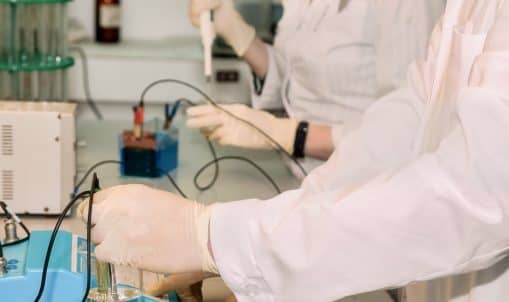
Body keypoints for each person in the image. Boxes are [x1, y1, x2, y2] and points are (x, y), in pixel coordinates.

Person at [79, 0, 509, 301]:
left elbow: (477, 196)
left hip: (417, 243)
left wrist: (220, 238)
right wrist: (235, 250)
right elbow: (411, 113)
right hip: (343, 219)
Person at [186, 0, 445, 174]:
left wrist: (289, 135)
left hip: (366, 191)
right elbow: (295, 81)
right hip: (303, 181)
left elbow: (405, 128)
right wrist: (236, 33)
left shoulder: (407, 6)